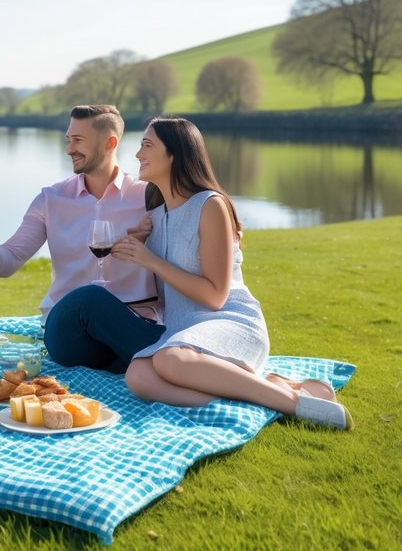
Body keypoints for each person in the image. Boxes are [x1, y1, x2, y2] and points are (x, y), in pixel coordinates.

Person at [111, 117, 353, 429]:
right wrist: (143, 245)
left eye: (147, 145)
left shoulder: (210, 205)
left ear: (174, 154)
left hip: (230, 323)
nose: (137, 154)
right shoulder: (155, 218)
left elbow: (214, 296)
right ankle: (262, 399)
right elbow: (165, 293)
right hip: (185, 334)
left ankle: (293, 404)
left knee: (168, 360)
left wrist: (152, 260)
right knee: (138, 376)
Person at [0, 104, 163, 373]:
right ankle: (168, 357)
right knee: (89, 299)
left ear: (110, 143)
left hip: (132, 324)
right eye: (68, 140)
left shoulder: (149, 197)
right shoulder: (50, 199)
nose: (69, 149)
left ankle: (157, 362)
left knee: (132, 355)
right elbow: (10, 259)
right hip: (70, 331)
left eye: (78, 140)